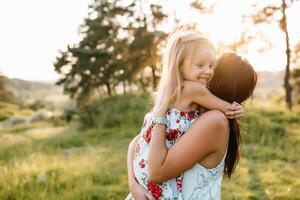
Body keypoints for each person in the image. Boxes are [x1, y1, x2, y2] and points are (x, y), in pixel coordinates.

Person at [126, 31, 249, 200]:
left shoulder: (180, 99)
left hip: (144, 174)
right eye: (200, 65)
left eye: (211, 66)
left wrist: (134, 182)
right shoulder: (193, 90)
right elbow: (227, 108)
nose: (207, 71)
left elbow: (139, 143)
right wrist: (237, 108)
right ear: (180, 65)